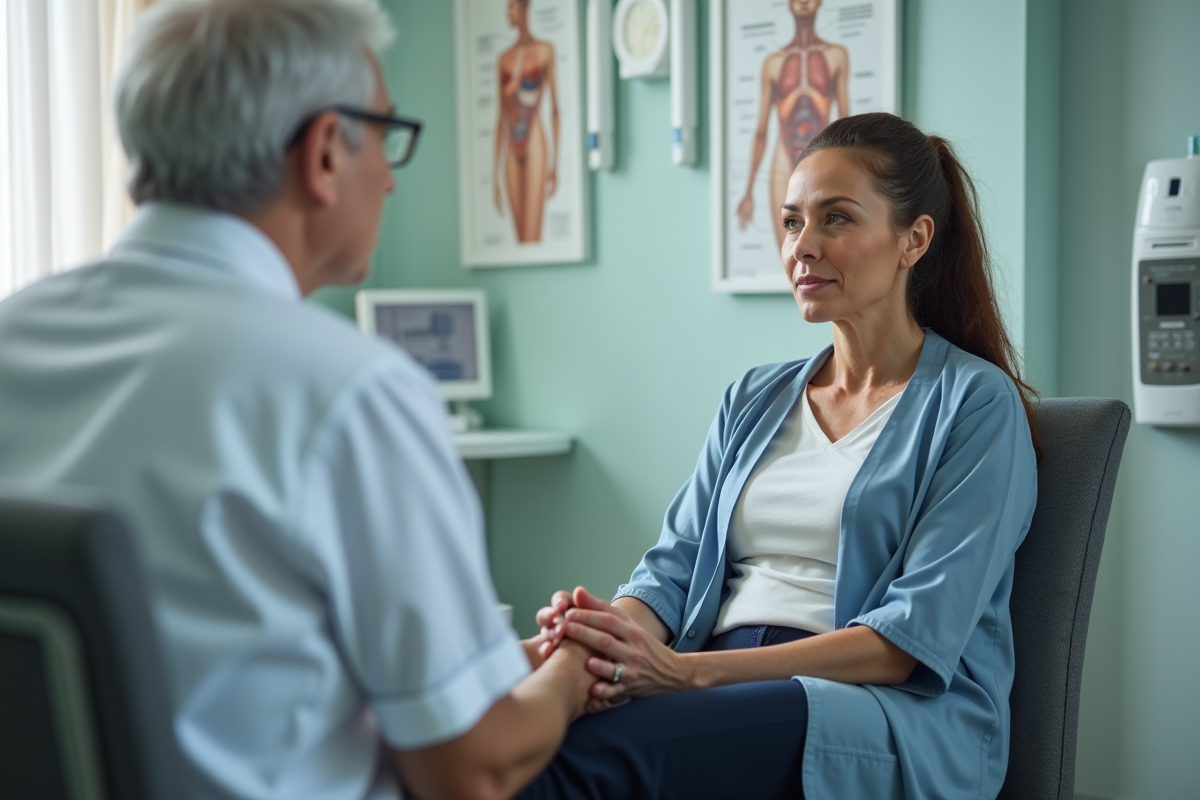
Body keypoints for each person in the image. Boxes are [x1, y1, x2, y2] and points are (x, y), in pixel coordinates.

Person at [0, 1, 593, 799]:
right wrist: (568, 674)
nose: (387, 173)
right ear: (322, 153)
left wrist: (482, 673)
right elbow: (471, 768)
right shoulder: (349, 392)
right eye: (386, 135)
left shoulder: (16, 335)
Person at [521, 112, 1042, 800]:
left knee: (569, 761)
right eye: (793, 221)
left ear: (913, 240)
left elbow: (908, 640)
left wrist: (687, 675)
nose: (803, 246)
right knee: (515, 733)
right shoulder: (753, 397)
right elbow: (670, 574)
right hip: (721, 676)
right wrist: (604, 634)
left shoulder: (976, 406)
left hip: (877, 712)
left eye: (837, 220)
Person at [737, 0, 850, 250]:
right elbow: (761, 131)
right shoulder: (773, 63)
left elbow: (846, 125)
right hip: (782, 156)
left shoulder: (836, 56)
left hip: (823, 159)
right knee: (791, 253)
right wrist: (748, 191)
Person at [493, 0, 559, 244]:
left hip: (535, 140)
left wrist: (556, 165)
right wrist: (493, 178)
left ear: (524, 8)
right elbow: (499, 117)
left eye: (511, 7)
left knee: (533, 238)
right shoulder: (503, 59)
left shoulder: (545, 50)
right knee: (521, 241)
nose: (507, 14)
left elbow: (555, 110)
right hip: (511, 143)